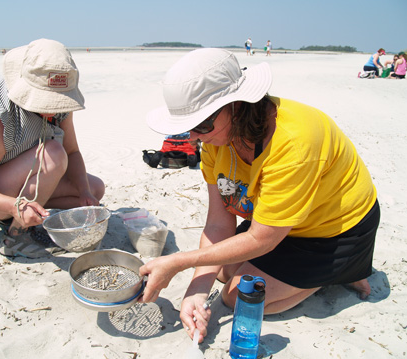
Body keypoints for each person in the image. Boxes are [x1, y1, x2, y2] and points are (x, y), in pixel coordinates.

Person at [142, 48, 380, 343]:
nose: (193, 137)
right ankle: (323, 272)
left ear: (238, 105)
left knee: (236, 296)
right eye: (186, 127)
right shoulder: (216, 138)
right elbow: (219, 224)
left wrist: (180, 262)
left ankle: (339, 271)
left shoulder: (294, 142)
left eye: (201, 124)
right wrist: (196, 290)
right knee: (222, 272)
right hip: (279, 225)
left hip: (334, 232)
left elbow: (262, 239)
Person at [0, 39, 105, 258]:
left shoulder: (60, 99)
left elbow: (73, 152)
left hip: (18, 178)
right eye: (47, 102)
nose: (54, 111)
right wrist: (14, 206)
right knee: (52, 155)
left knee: (94, 189)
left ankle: (25, 215)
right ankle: (16, 236)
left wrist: (84, 192)